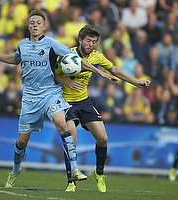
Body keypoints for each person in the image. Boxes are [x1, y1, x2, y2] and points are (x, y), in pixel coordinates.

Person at [0, 10, 116, 190]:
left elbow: (76, 60)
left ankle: (74, 170)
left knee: (62, 124)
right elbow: (14, 59)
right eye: (32, 22)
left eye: (38, 23)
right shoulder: (22, 45)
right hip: (30, 98)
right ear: (28, 25)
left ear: (44, 26)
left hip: (50, 93)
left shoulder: (51, 44)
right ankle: (15, 171)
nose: (35, 25)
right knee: (22, 142)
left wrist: (99, 72)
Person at [55, 25, 151, 192]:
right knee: (73, 139)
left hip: (84, 102)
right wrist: (67, 81)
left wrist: (136, 82)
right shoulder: (67, 54)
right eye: (88, 41)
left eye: (94, 41)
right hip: (65, 102)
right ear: (80, 40)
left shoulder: (97, 56)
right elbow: (54, 75)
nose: (91, 44)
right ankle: (71, 181)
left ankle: (99, 173)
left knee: (103, 138)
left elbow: (114, 69)